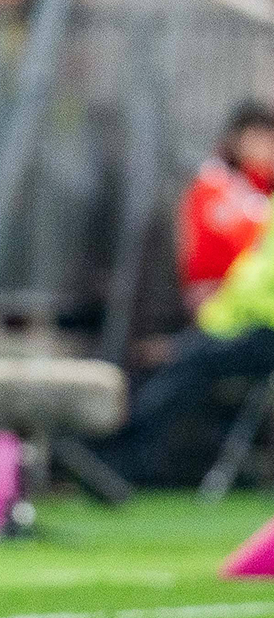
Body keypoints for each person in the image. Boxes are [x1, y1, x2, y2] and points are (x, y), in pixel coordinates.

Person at [100, 197, 274, 486]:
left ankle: (120, 456)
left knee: (186, 361)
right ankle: (116, 447)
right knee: (165, 357)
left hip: (261, 334)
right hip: (231, 327)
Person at [180, 104, 274, 314]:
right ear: (237, 140)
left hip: (249, 293)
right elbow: (239, 237)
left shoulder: (261, 184)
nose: (266, 148)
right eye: (258, 139)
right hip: (214, 291)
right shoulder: (215, 181)